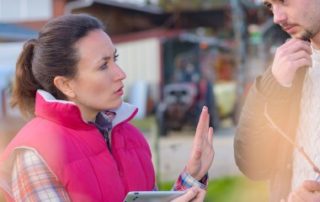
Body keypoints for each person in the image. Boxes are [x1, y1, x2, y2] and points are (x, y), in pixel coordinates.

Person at [0, 14, 214, 202]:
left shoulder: (131, 137)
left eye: (115, 59)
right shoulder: (36, 156)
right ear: (66, 84)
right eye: (103, 65)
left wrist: (192, 176)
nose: (120, 73)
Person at [234, 0, 320, 201]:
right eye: (269, 5)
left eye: (283, 1)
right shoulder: (288, 66)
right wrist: (273, 86)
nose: (277, 17)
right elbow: (253, 166)